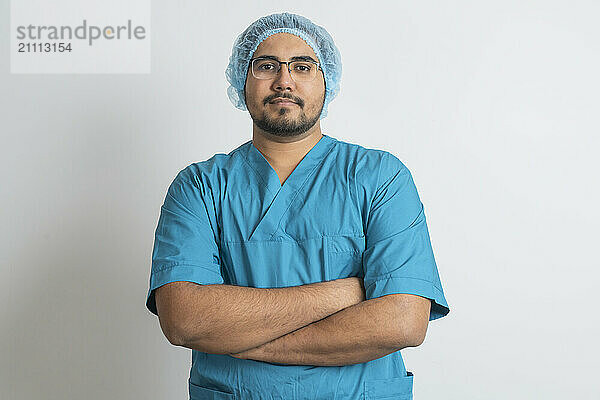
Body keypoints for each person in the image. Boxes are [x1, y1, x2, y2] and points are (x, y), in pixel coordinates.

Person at [145, 12, 450, 400]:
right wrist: (347, 293)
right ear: (243, 80)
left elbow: (403, 322)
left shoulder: (380, 177)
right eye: (266, 66)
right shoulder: (200, 187)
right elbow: (185, 320)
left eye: (302, 66)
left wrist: (242, 340)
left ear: (327, 81)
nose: (284, 80)